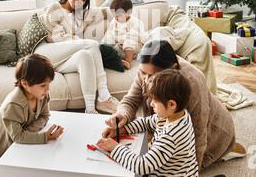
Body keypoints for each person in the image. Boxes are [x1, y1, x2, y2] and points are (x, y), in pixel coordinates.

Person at [97, 69, 229, 177]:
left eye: (154, 100)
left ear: (171, 104)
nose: (150, 104)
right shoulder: (179, 116)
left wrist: (114, 148)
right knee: (148, 141)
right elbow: (148, 122)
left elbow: (142, 166)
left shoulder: (170, 136)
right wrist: (124, 128)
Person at [103, 40, 246, 169]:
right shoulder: (147, 69)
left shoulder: (192, 83)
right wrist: (121, 117)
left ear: (170, 70)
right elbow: (130, 100)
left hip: (215, 131)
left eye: (151, 76)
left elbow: (199, 133)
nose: (145, 80)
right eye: (142, 73)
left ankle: (226, 149)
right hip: (170, 126)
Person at [0, 54, 64, 177]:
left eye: (48, 84)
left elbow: (45, 116)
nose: (47, 89)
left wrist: (28, 130)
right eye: (43, 85)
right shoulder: (13, 105)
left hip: (17, 138)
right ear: (25, 83)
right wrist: (45, 136)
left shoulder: (42, 95)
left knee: (23, 176)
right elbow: (18, 137)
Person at [39, 0, 119, 114]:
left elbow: (71, 38)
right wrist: (79, 41)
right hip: (46, 52)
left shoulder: (71, 17)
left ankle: (91, 109)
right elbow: (55, 38)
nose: (80, 0)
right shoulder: (55, 8)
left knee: (85, 56)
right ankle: (104, 94)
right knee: (92, 44)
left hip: (60, 59)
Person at [101, 0, 147, 70]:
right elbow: (110, 34)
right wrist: (104, 44)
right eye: (114, 15)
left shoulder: (135, 22)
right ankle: (104, 55)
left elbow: (140, 38)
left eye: (118, 15)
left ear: (128, 13)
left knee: (130, 38)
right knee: (109, 38)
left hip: (135, 48)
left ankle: (128, 61)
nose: (116, 18)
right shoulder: (115, 21)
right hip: (121, 47)